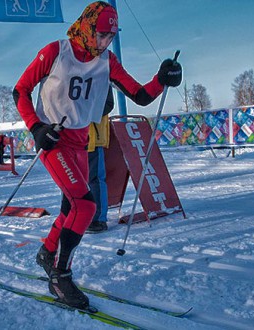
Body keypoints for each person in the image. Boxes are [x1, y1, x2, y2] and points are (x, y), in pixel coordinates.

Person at [13, 1, 181, 309]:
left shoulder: (107, 61)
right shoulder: (56, 52)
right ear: (88, 27)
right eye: (101, 35)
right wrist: (36, 127)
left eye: (110, 37)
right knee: (85, 205)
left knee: (70, 205)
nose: (104, 43)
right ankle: (60, 278)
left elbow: (140, 95)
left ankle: (47, 253)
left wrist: (162, 79)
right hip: (54, 139)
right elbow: (20, 90)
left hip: (81, 141)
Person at [86, 88, 114, 234]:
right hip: (71, 138)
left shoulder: (101, 74)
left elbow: (108, 103)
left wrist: (84, 109)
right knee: (71, 180)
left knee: (95, 179)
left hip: (92, 137)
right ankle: (75, 216)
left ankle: (99, 219)